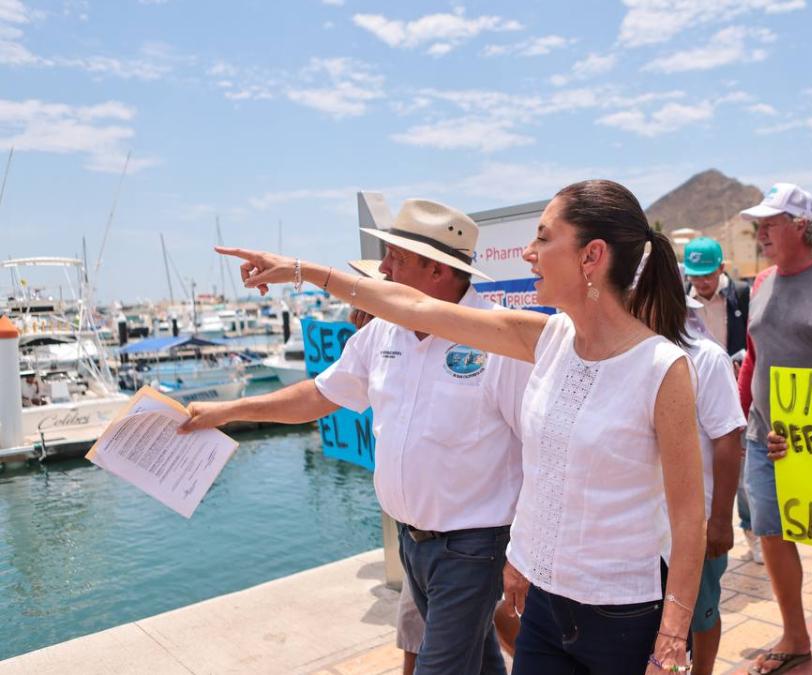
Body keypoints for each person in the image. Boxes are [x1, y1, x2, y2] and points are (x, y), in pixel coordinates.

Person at [215, 178, 705, 675]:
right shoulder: (545, 339)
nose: (530, 254)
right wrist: (302, 271)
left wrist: (671, 638)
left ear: (590, 256)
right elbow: (416, 309)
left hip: (621, 615)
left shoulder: (662, 369)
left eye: (543, 238)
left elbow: (689, 520)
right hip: (543, 607)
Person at [181, 199, 532, 675]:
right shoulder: (382, 333)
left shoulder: (498, 339)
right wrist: (227, 411)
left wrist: (524, 553)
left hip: (474, 548)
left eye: (396, 259)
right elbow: (318, 396)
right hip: (414, 546)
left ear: (436, 270)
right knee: (482, 664)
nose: (383, 269)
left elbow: (538, 451)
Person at [738, 182, 812, 674]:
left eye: (771, 223)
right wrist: (740, 414)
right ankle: (795, 633)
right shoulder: (760, 283)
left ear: (803, 227)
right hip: (765, 438)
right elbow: (755, 355)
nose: (760, 232)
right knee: (770, 532)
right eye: (757, 224)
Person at [679, 294, 747, 675]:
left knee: (701, 614)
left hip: (699, 517)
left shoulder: (706, 357)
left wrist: (720, 520)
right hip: (652, 520)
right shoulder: (634, 350)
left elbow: (727, 439)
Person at [682, 236, 760, 565]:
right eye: (695, 275)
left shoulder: (742, 294)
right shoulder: (681, 303)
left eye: (707, 275)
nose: (701, 282)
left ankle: (750, 532)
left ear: (722, 269)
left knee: (738, 468)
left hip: (739, 392)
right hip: (700, 394)